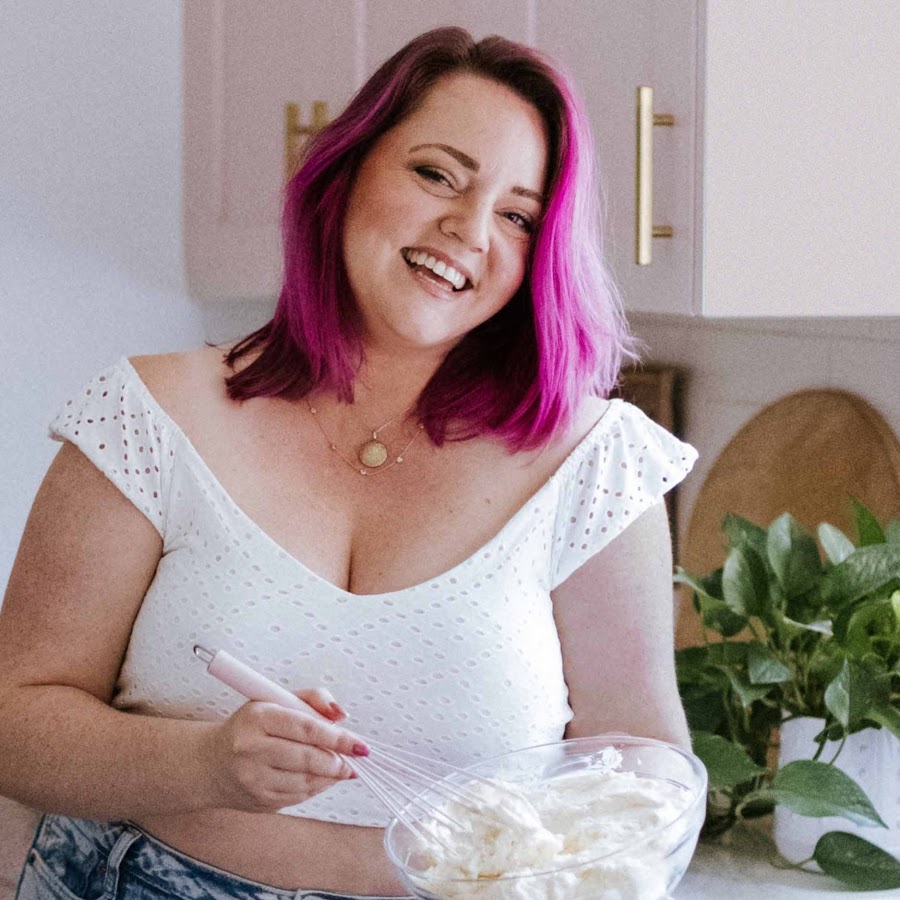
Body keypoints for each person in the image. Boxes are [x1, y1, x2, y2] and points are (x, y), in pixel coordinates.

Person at [0, 25, 697, 900]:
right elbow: (14, 723)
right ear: (346, 170)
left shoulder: (596, 464)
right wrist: (205, 763)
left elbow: (642, 757)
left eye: (518, 215)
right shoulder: (149, 416)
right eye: (437, 174)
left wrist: (608, 847)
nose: (469, 230)